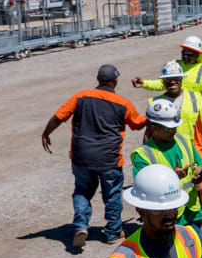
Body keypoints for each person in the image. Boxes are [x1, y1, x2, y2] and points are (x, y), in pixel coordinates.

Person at [43, 64, 148, 248]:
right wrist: (154, 116)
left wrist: (46, 133)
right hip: (109, 159)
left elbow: (58, 117)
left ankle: (80, 226)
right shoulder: (123, 103)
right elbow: (138, 124)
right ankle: (113, 232)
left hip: (81, 157)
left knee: (82, 191)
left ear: (98, 80)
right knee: (112, 194)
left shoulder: (80, 97)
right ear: (115, 81)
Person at [134, 99, 202, 226]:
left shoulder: (184, 140)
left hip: (192, 212)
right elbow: (143, 188)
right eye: (169, 129)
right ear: (155, 128)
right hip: (166, 218)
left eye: (175, 127)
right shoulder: (142, 155)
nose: (174, 131)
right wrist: (171, 177)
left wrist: (198, 173)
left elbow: (197, 162)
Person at [135, 36, 202, 109]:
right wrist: (144, 83)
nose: (185, 56)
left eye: (189, 54)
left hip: (194, 113)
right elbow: (162, 84)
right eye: (183, 52)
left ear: (197, 55)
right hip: (174, 108)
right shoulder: (175, 65)